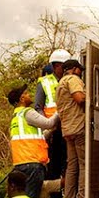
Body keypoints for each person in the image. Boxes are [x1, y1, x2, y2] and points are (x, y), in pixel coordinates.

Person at [7, 85, 57, 198]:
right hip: (33, 163)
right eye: (27, 93)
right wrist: (60, 111)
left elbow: (35, 137)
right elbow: (49, 123)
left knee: (23, 197)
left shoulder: (16, 117)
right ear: (22, 99)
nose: (30, 95)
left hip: (21, 163)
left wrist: (50, 132)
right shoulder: (28, 112)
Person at [56, 59, 87, 198]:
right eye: (80, 70)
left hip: (67, 130)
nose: (81, 73)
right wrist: (93, 98)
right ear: (74, 69)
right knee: (83, 165)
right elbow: (80, 99)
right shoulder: (73, 80)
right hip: (79, 127)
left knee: (72, 167)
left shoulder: (60, 84)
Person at [35, 49, 70, 181]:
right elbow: (38, 107)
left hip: (69, 128)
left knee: (70, 166)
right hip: (53, 131)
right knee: (54, 166)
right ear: (56, 66)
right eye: (64, 66)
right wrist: (47, 125)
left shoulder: (72, 80)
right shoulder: (44, 82)